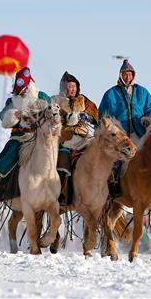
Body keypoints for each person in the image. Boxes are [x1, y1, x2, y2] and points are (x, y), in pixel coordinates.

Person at [0, 67, 52, 178]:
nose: (22, 93)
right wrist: (14, 115)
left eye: (24, 89)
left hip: (39, 135)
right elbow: (2, 116)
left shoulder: (41, 96)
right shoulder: (12, 101)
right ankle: (2, 182)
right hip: (19, 136)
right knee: (12, 152)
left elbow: (53, 108)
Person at [53, 72, 99, 205]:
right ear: (63, 88)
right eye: (69, 86)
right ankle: (62, 192)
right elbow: (51, 117)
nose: (72, 89)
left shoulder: (83, 100)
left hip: (83, 135)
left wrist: (86, 116)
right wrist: (65, 118)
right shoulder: (57, 101)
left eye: (74, 86)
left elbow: (95, 114)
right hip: (64, 136)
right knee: (63, 157)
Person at [98, 59, 151, 145]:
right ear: (121, 75)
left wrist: (149, 118)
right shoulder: (110, 93)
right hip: (119, 135)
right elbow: (102, 115)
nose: (128, 77)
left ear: (133, 75)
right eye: (125, 74)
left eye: (130, 74)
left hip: (140, 133)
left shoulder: (141, 91)